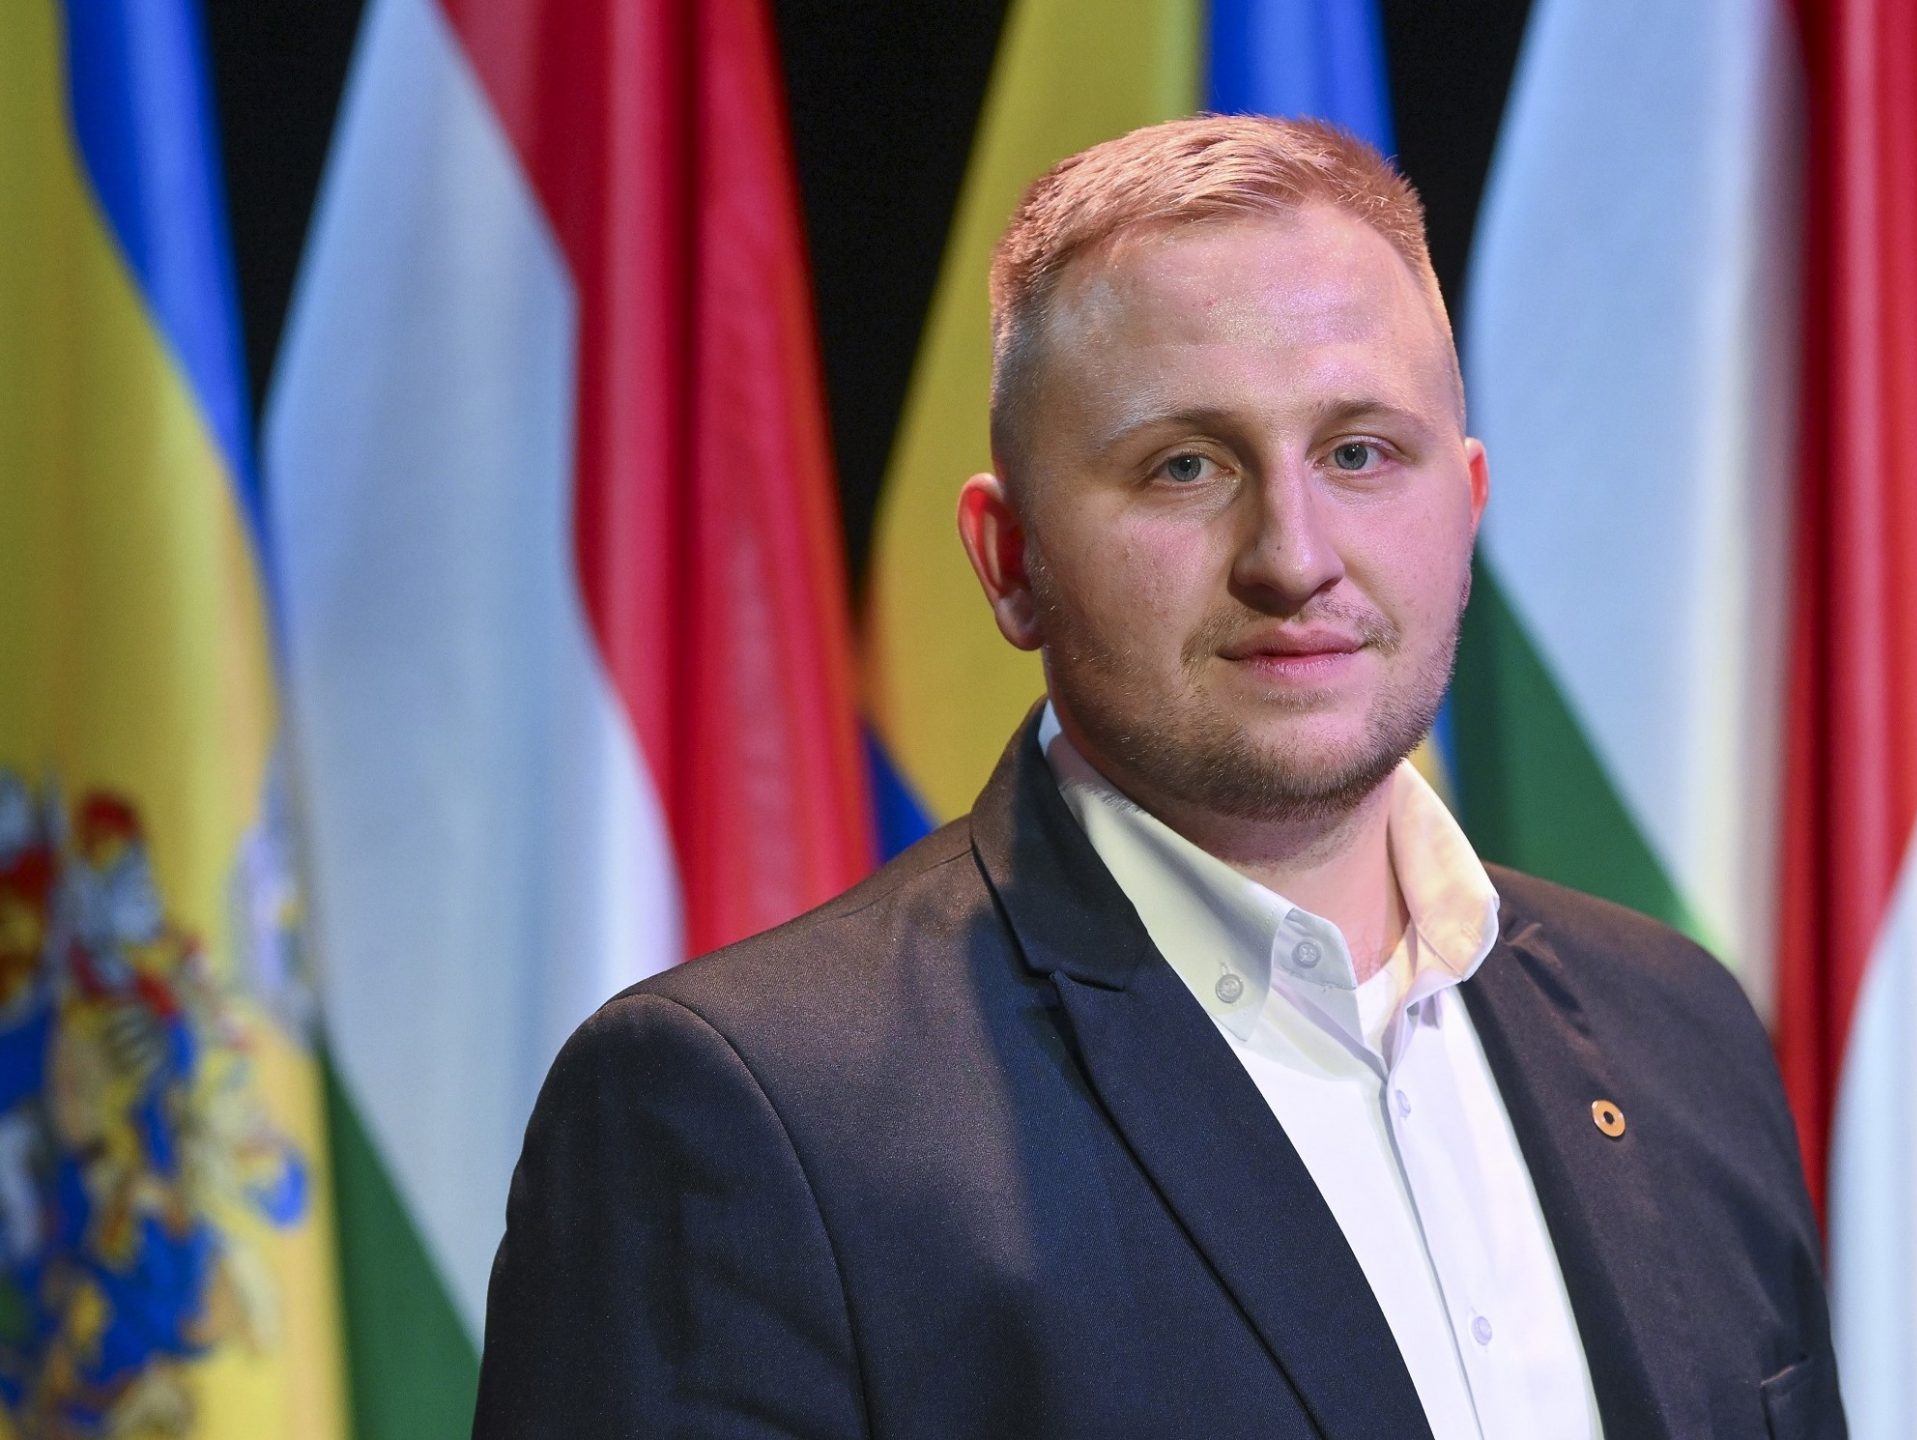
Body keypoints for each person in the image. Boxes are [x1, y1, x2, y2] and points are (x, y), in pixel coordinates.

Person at [475, 115, 1847, 1440]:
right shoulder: (746, 1113)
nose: (1294, 555)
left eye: (1360, 453)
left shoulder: (1678, 1030)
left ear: (1469, 504)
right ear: (1010, 560)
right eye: (1185, 466)